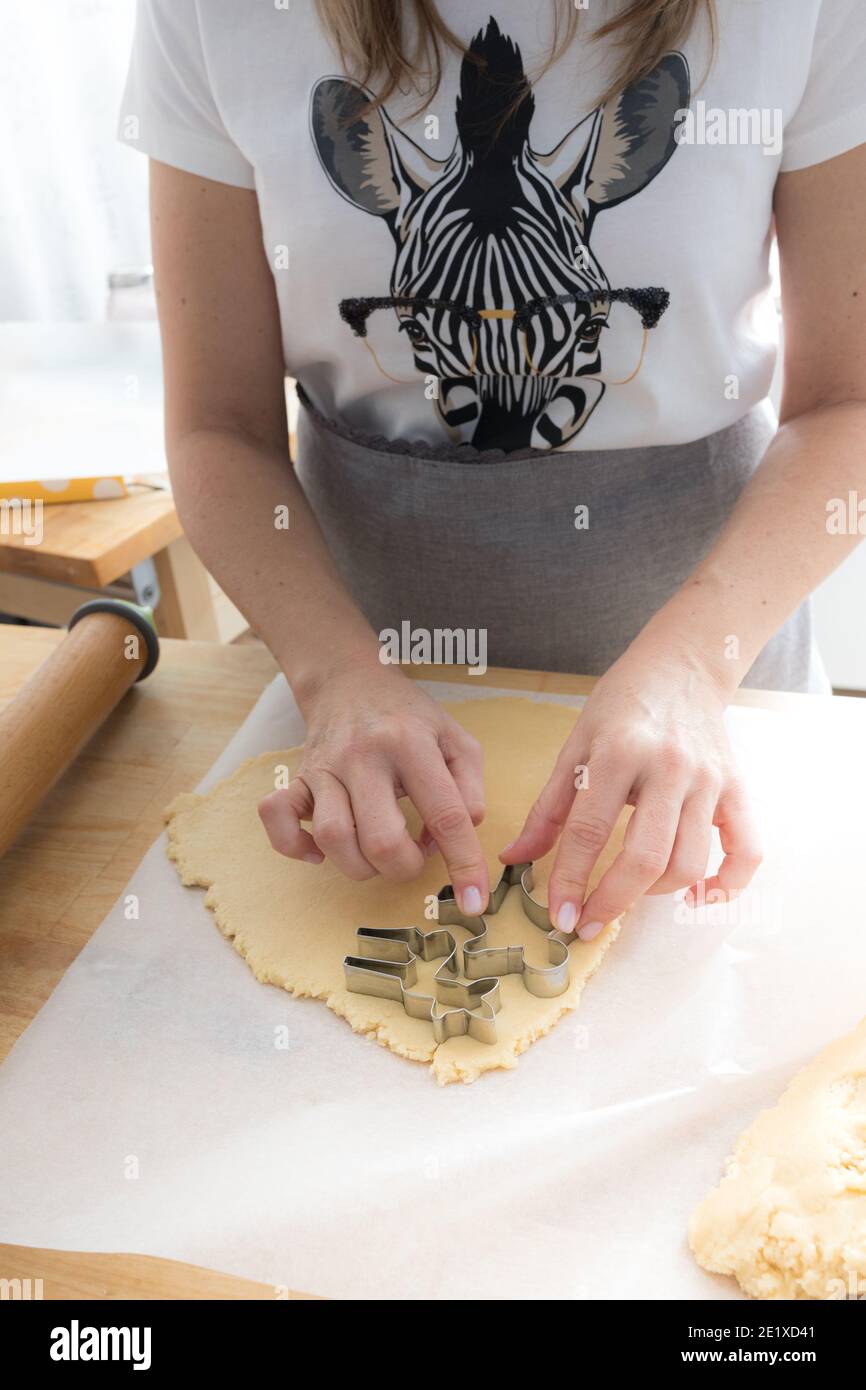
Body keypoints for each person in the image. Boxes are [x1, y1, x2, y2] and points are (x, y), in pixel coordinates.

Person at [120, 0, 866, 939]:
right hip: (358, 727)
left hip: (725, 696)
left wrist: (693, 667)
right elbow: (217, 427)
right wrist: (337, 679)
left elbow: (850, 406)